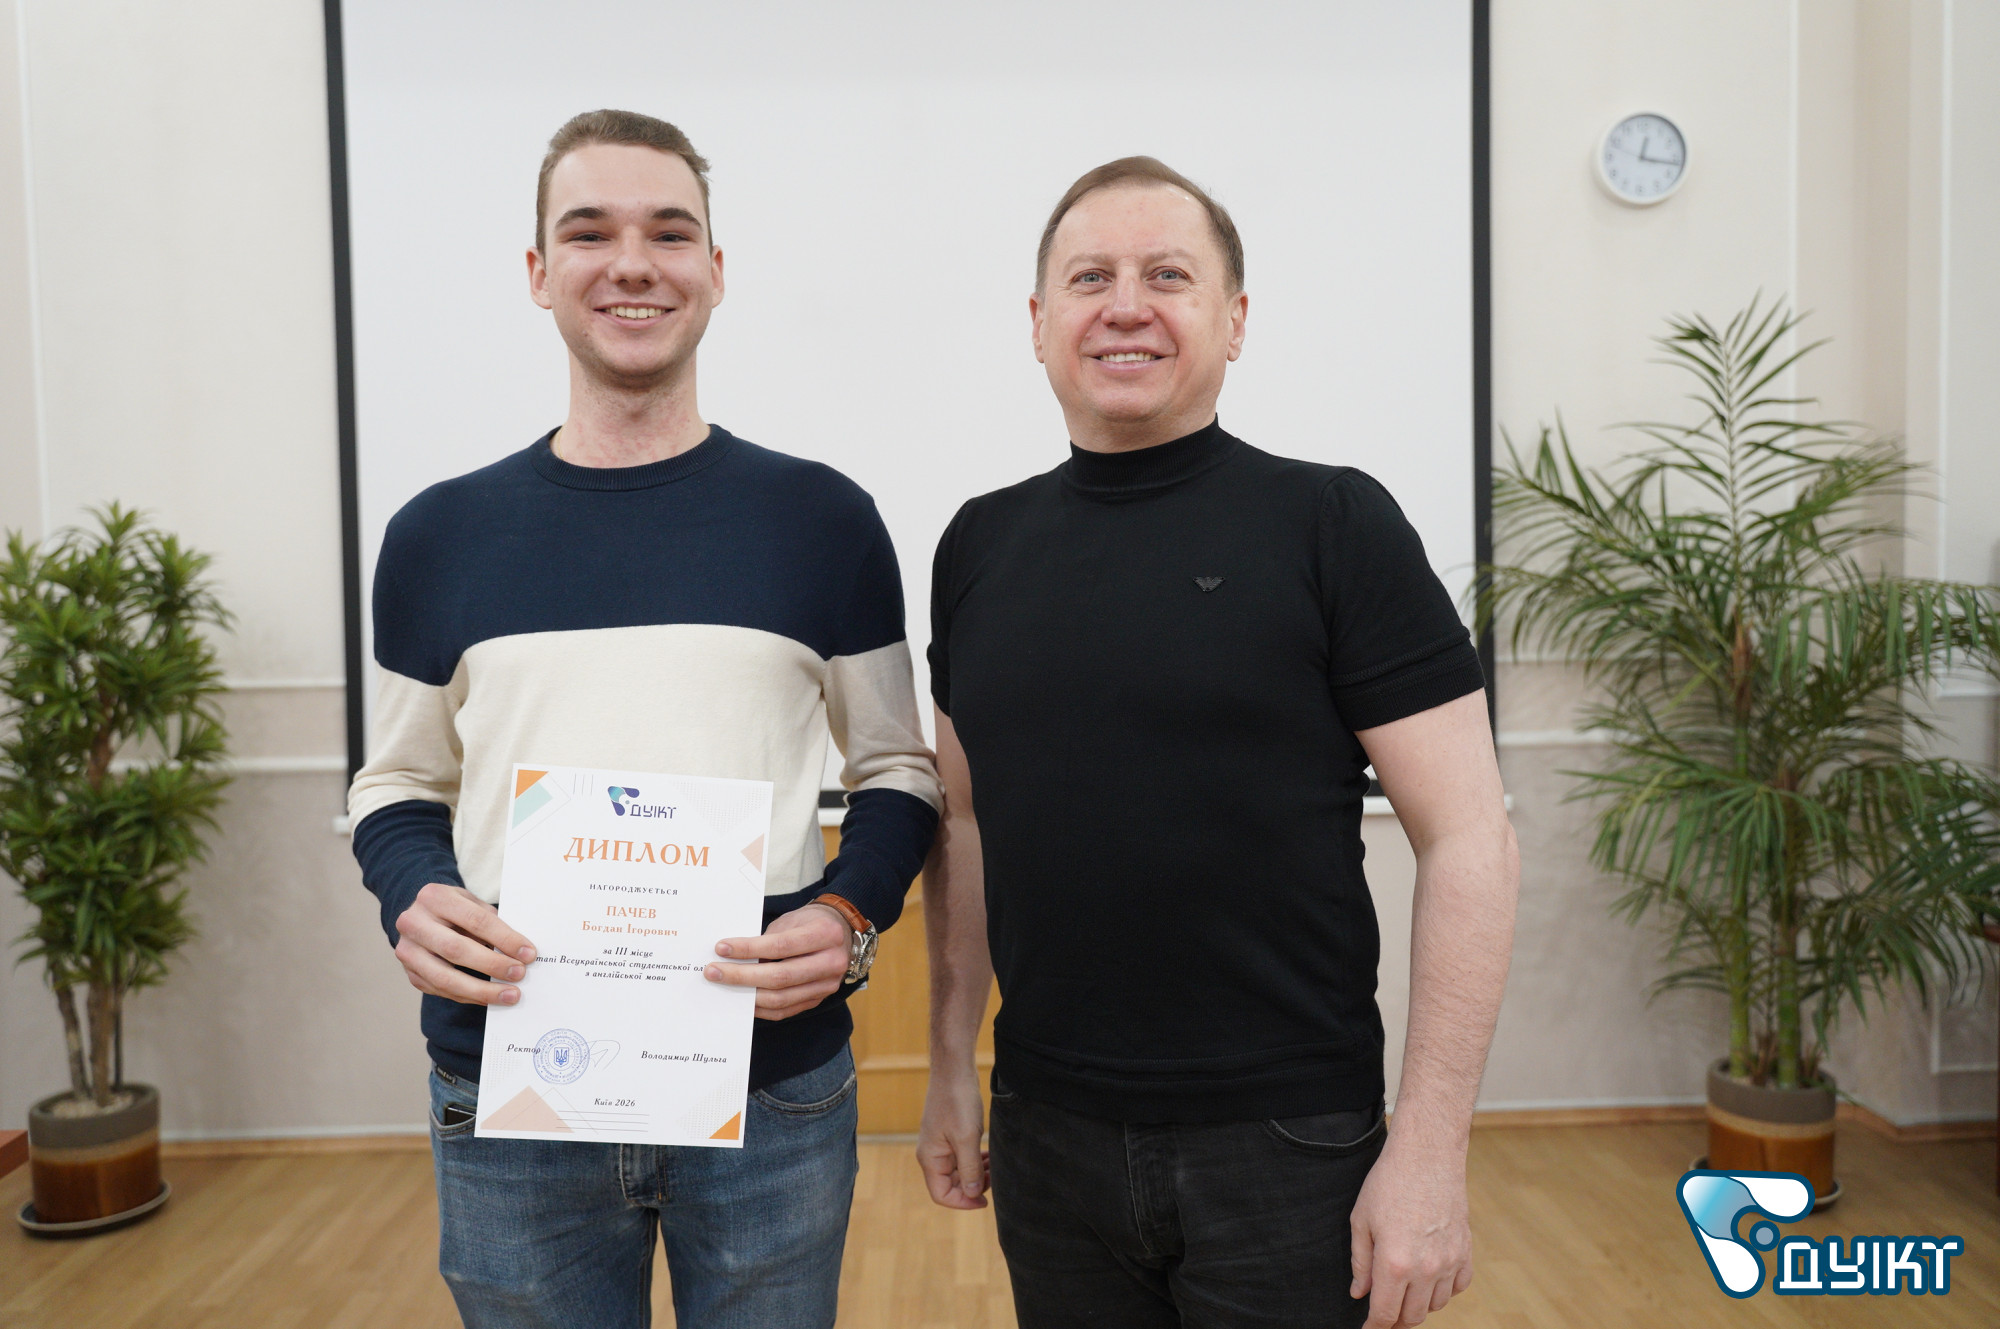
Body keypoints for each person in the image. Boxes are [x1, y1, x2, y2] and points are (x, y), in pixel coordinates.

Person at [347, 109, 940, 1329]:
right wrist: (414, 891)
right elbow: (395, 785)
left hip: (771, 1089)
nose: (632, 263)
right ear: (538, 272)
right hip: (511, 1088)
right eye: (589, 232)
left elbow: (897, 769)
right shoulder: (437, 536)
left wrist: (848, 914)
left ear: (714, 271)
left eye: (670, 233)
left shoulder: (822, 522)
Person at [917, 157, 1520, 1329]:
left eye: (1167, 276)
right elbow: (967, 820)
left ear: (1233, 320)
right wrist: (948, 1066)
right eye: (1088, 278)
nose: (1124, 306)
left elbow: (1468, 841)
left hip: (1286, 1143)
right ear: (1037, 323)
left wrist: (1429, 1150)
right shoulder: (977, 545)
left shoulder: (1332, 524)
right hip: (1048, 1138)